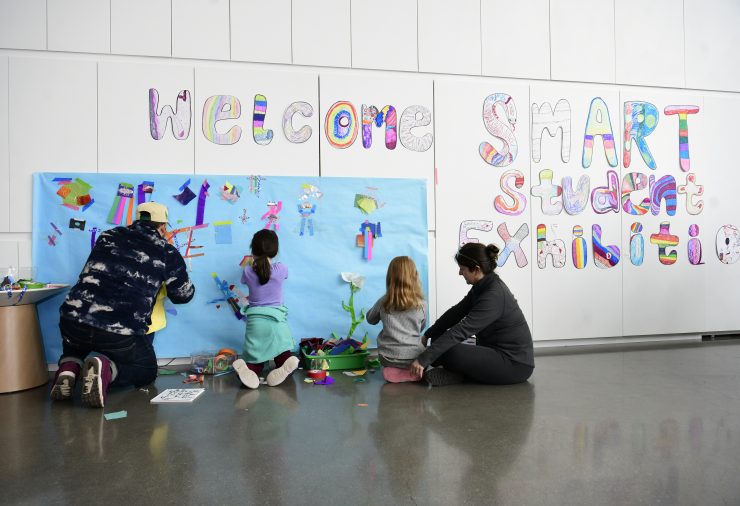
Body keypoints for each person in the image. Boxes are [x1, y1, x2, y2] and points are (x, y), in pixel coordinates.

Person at [51, 202, 195, 407]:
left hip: (72, 318)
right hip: (117, 328)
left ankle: (68, 370)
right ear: (163, 226)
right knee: (146, 370)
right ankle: (107, 370)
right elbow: (183, 295)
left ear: (135, 220)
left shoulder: (107, 236)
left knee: (75, 346)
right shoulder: (166, 252)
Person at [409, 242, 534, 386]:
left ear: (476, 269)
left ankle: (460, 376)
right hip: (491, 350)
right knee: (439, 339)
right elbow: (456, 313)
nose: (460, 273)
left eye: (462, 269)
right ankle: (456, 371)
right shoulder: (482, 286)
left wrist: (422, 359)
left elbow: (462, 330)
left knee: (450, 351)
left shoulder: (494, 295)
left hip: (515, 364)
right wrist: (428, 334)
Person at [233, 229, 298, 389]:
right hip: (277, 322)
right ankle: (285, 363)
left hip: (255, 322)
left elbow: (249, 276)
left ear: (252, 250)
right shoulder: (281, 269)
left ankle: (249, 371)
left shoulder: (248, 271)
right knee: (282, 352)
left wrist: (252, 261)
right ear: (275, 251)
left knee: (255, 358)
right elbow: (278, 274)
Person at [366, 256, 427, 383]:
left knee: (389, 361)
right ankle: (413, 371)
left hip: (389, 356)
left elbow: (370, 319)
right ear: (414, 277)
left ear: (390, 278)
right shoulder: (421, 304)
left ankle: (394, 371)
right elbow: (421, 326)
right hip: (415, 356)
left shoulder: (383, 302)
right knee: (422, 347)